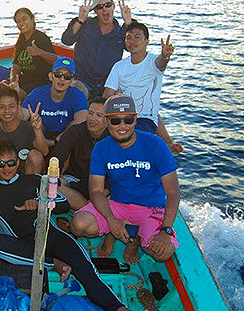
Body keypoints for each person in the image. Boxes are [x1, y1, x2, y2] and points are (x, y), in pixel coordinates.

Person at [0, 140, 129, 311]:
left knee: (87, 273)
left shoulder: (34, 180)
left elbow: (63, 203)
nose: (6, 168)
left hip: (52, 237)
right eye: (0, 164)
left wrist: (40, 202)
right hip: (25, 245)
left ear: (18, 162)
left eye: (11, 162)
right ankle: (53, 263)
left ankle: (120, 308)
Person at [71, 96, 180, 265]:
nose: (122, 126)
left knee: (162, 252)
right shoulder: (101, 148)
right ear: (106, 121)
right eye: (115, 121)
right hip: (118, 205)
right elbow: (96, 191)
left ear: (135, 120)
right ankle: (113, 233)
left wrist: (166, 230)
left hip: (151, 208)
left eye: (128, 120)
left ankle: (135, 239)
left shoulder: (157, 145)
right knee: (79, 225)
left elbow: (173, 193)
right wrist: (111, 219)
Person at [102, 21, 183, 153]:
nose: (132, 41)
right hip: (119, 116)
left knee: (135, 143)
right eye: (129, 37)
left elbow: (161, 63)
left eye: (137, 37)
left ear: (146, 41)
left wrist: (165, 56)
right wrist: (115, 97)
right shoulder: (119, 66)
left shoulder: (153, 62)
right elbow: (106, 95)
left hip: (143, 119)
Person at [61, 0, 132, 98]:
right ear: (94, 11)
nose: (104, 10)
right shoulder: (85, 24)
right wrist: (80, 20)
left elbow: (134, 48)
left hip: (108, 85)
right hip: (82, 81)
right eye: (99, 7)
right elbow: (67, 40)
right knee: (78, 95)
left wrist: (129, 22)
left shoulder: (122, 31)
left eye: (108, 5)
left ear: (113, 7)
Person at [51, 96, 109, 210]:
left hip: (102, 186)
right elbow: (57, 159)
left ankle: (89, 210)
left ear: (107, 120)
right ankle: (87, 209)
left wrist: (104, 193)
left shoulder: (113, 138)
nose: (92, 118)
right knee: (54, 185)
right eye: (90, 113)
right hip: (75, 180)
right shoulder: (75, 131)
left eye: (98, 115)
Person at [0, 86, 48, 179]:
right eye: (2, 107)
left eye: (11, 106)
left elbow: (44, 152)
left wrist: (37, 130)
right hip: (4, 176)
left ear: (19, 107)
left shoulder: (29, 127)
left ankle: (28, 191)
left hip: (27, 176)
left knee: (36, 155)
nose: (7, 111)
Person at [22, 57, 88, 143]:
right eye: (58, 74)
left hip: (66, 137)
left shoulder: (77, 95)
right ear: (50, 76)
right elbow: (22, 116)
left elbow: (82, 119)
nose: (62, 79)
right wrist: (15, 95)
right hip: (40, 136)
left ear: (72, 81)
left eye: (67, 76)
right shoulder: (38, 93)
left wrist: (55, 141)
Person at [9, 7, 57, 96]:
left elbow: (55, 60)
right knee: (3, 87)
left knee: (19, 93)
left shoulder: (41, 38)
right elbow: (15, 66)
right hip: (27, 79)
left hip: (42, 81)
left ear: (32, 19)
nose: (21, 23)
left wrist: (40, 52)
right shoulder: (21, 39)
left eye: (24, 19)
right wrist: (13, 81)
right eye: (18, 21)